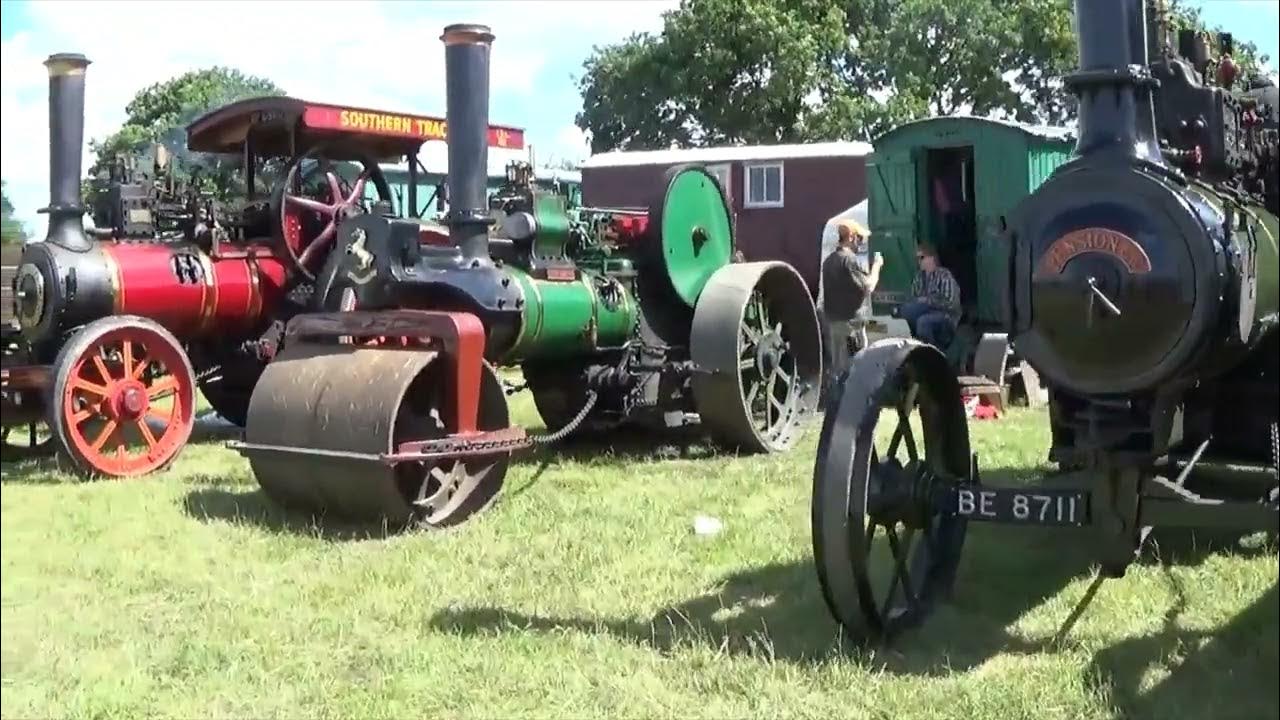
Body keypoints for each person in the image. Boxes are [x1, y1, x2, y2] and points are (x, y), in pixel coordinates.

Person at [819, 220, 882, 388]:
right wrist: (877, 266)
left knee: (838, 369)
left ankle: (836, 404)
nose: (861, 243)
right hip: (851, 326)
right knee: (857, 367)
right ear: (851, 237)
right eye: (860, 238)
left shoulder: (828, 262)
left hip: (833, 323)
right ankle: (853, 407)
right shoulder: (849, 261)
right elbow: (868, 286)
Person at [897, 245, 961, 349]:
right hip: (925, 313)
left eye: (921, 257)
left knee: (923, 321)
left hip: (946, 316)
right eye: (917, 258)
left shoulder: (944, 275)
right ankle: (912, 345)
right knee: (906, 311)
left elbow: (951, 303)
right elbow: (914, 298)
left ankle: (932, 353)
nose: (919, 261)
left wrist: (929, 301)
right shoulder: (919, 278)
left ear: (932, 258)